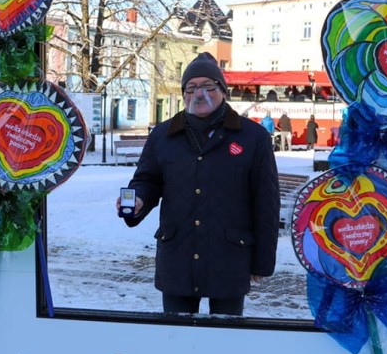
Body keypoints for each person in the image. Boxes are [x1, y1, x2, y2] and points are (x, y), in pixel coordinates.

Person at [117, 52, 280, 316]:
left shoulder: (253, 137)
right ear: (184, 95)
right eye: (191, 88)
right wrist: (138, 199)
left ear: (223, 90)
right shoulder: (163, 135)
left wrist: (262, 262)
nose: (199, 94)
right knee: (176, 342)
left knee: (225, 345)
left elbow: (266, 203)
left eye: (208, 86)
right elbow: (147, 180)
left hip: (229, 258)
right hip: (178, 257)